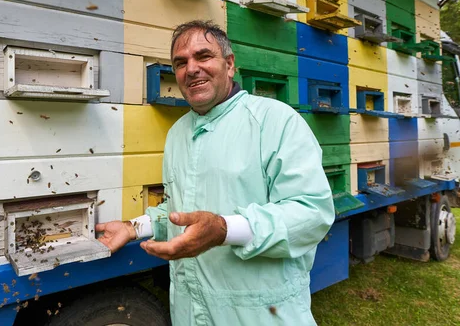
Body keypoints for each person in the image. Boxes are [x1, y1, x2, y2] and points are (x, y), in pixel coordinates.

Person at [95, 20, 336, 325]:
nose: (191, 69)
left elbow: (311, 212)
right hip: (190, 311)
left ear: (230, 64)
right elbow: (180, 210)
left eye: (203, 56)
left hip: (261, 314)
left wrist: (224, 229)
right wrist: (135, 227)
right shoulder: (177, 133)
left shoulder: (275, 121)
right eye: (181, 62)